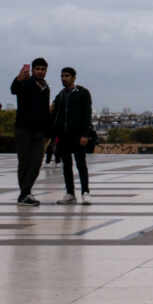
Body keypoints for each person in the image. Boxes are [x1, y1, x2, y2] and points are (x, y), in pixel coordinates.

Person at [10, 58, 52, 206]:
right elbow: (14, 90)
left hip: (39, 131)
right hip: (24, 129)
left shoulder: (46, 87)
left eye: (43, 69)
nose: (40, 71)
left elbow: (46, 110)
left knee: (36, 162)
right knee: (24, 162)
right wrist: (18, 79)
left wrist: (48, 131)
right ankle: (25, 193)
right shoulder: (26, 83)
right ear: (33, 70)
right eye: (38, 69)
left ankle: (25, 192)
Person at [51, 67, 94, 204]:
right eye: (62, 76)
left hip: (78, 135)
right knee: (66, 165)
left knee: (81, 164)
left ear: (74, 77)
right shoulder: (61, 94)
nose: (64, 78)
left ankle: (85, 192)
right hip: (64, 136)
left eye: (67, 76)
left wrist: (85, 134)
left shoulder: (82, 93)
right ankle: (70, 193)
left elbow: (87, 114)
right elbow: (53, 109)